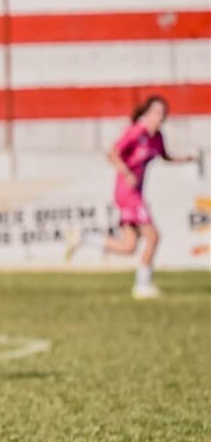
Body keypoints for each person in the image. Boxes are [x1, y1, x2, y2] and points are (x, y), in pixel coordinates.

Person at [66, 95, 198, 298]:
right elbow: (112, 153)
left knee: (129, 246)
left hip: (136, 193)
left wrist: (186, 158)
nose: (159, 117)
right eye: (156, 112)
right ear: (147, 113)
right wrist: (126, 172)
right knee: (154, 237)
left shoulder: (158, 137)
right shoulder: (136, 132)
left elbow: (165, 156)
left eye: (163, 113)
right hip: (128, 193)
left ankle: (83, 237)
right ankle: (142, 286)